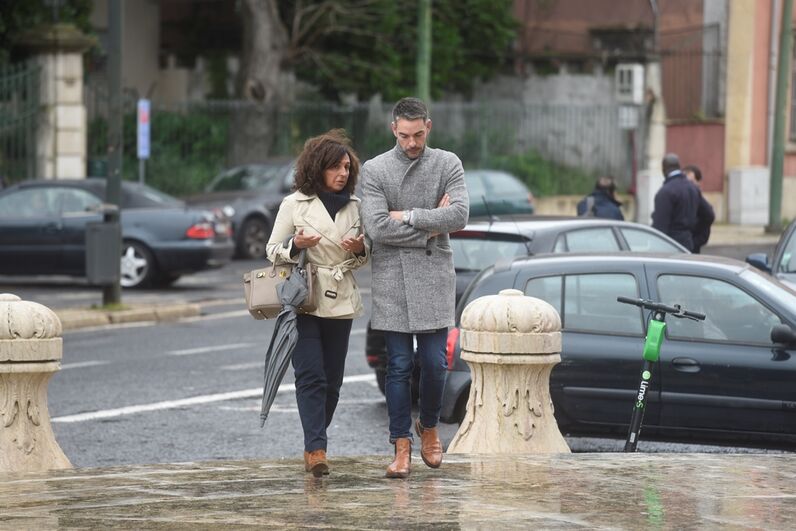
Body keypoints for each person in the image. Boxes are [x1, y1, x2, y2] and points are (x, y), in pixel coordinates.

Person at [361, 97, 469, 479]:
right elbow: (376, 227)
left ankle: (429, 427)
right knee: (399, 366)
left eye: (418, 135)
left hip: (434, 277)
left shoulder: (447, 163)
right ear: (394, 129)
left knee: (437, 364)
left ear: (429, 127)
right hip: (392, 281)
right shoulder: (375, 170)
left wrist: (406, 215)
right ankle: (400, 443)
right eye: (405, 135)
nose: (411, 143)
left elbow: (459, 215)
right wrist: (431, 226)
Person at [265, 129, 368, 478]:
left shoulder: (356, 206)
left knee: (333, 381)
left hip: (339, 298)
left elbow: (363, 256)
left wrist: (360, 250)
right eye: (334, 167)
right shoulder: (294, 204)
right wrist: (295, 244)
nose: (342, 173)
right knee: (310, 375)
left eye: (346, 167)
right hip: (303, 298)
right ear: (316, 168)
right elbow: (271, 251)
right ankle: (316, 448)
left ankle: (314, 439)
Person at [651, 153, 702, 251]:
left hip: (670, 247)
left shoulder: (665, 192)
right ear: (679, 166)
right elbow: (708, 215)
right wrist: (697, 240)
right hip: (688, 245)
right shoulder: (693, 188)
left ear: (664, 169)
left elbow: (659, 227)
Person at [683, 164, 715, 253]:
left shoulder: (701, 204)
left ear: (698, 183)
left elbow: (709, 217)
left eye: (691, 182)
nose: (688, 185)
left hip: (693, 249)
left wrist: (693, 243)